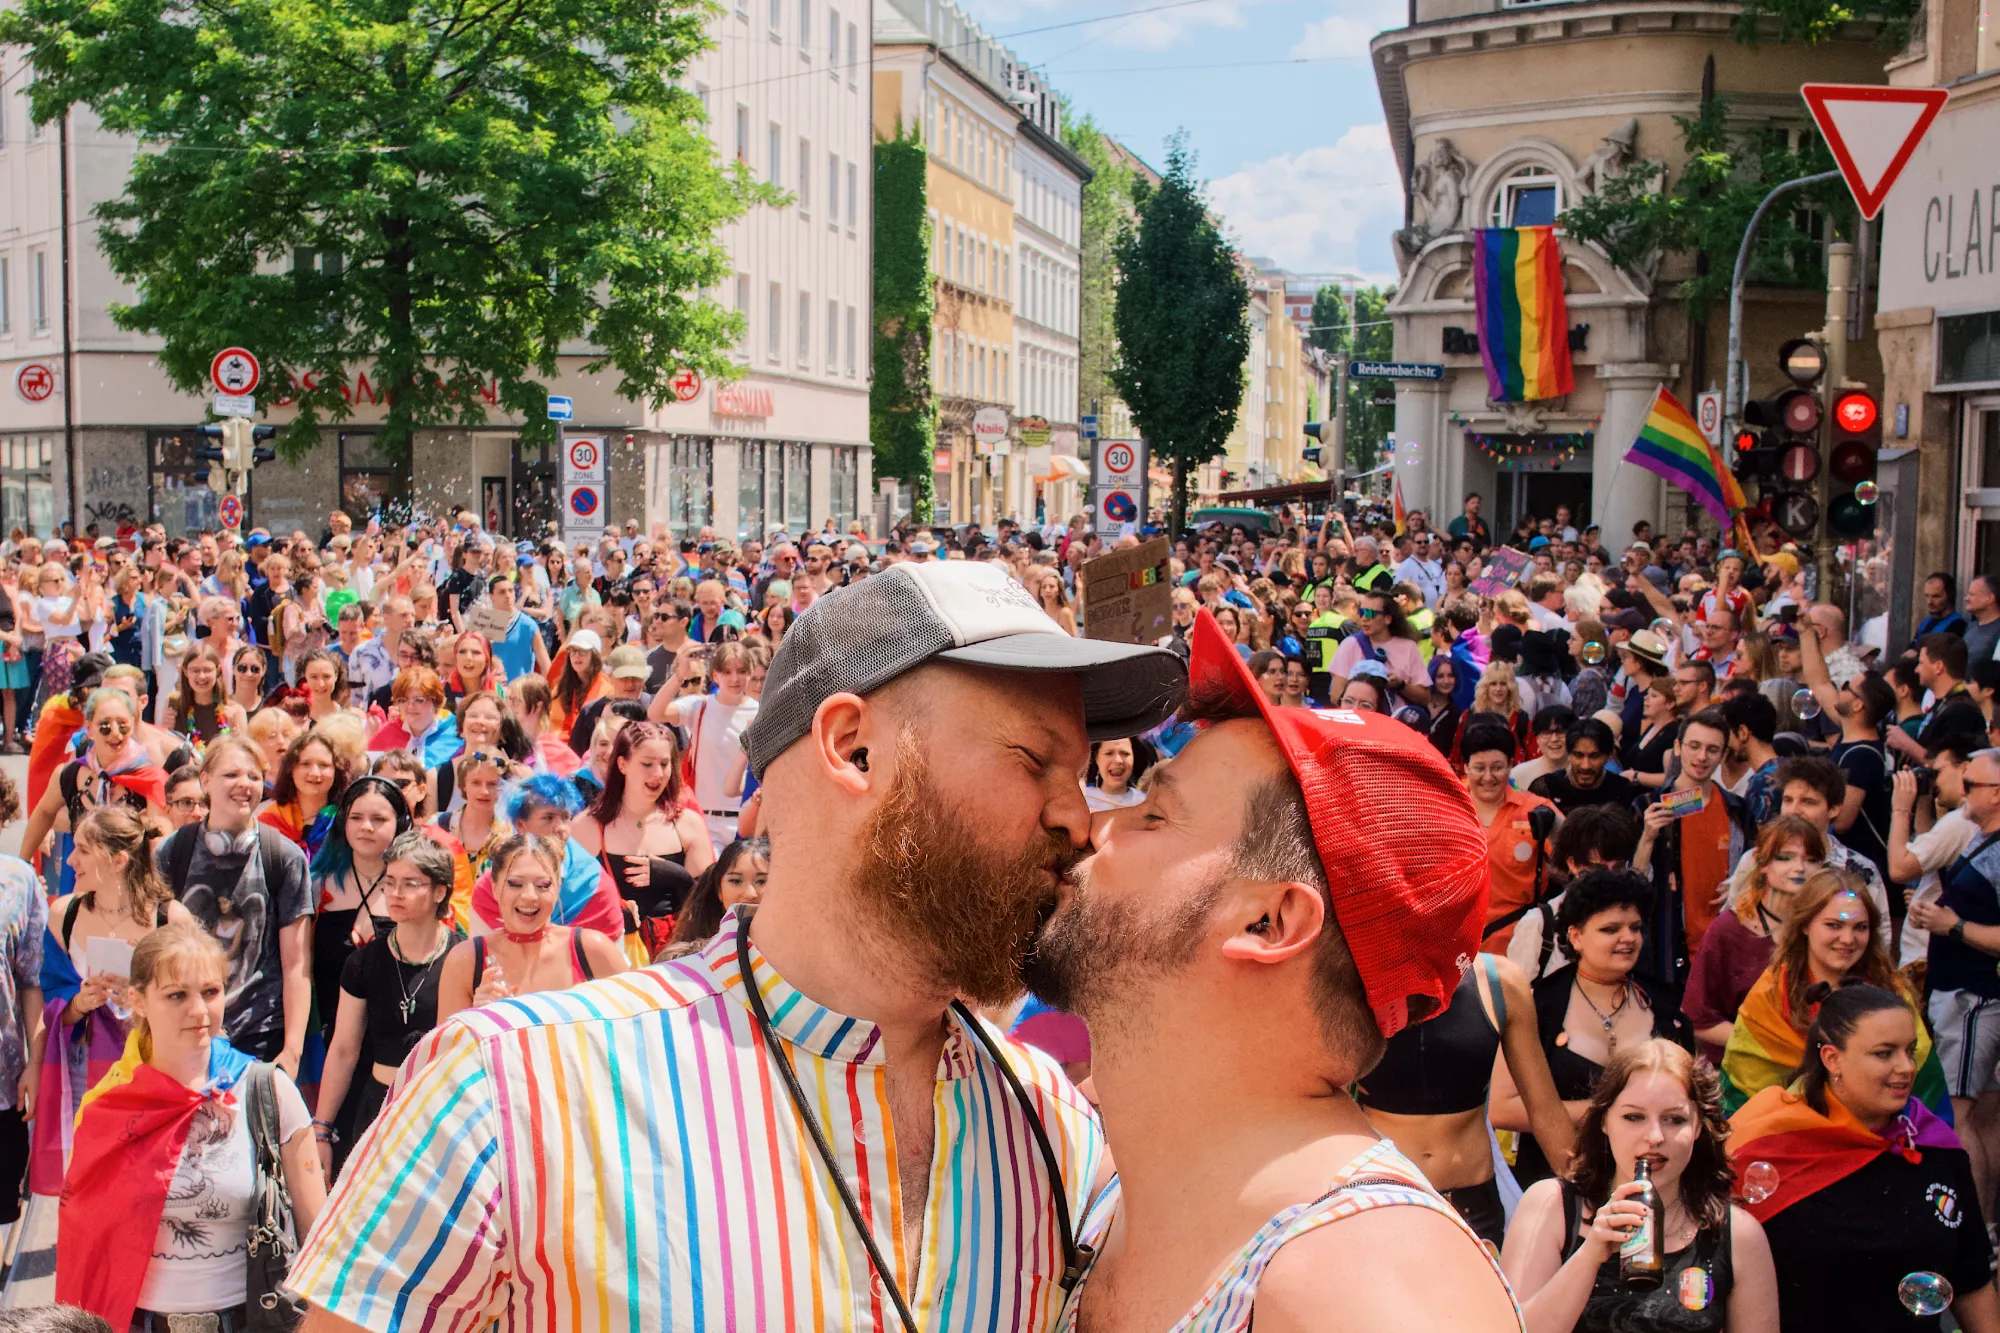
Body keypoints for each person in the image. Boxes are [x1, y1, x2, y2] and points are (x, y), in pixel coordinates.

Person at [293, 558, 1184, 1333]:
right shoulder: (509, 1090)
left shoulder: (1054, 1131)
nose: (1078, 817)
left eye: (1081, 772)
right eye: (1035, 759)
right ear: (855, 748)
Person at [1024, 607, 1519, 1330]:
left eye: (1155, 816)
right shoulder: (1106, 1183)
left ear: (1269, 923)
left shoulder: (1370, 1288)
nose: (1098, 824)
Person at [55, 923, 326, 1333]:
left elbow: (319, 1238)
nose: (199, 1011)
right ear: (138, 1001)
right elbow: (85, 1246)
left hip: (253, 1322)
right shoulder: (106, 1108)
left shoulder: (269, 1091)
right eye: (177, 995)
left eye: (211, 992)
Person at [1728, 983, 2000, 1333]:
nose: (1906, 1067)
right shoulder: (1767, 1144)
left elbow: (1971, 1280)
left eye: (1910, 1050)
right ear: (1831, 1058)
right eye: (1884, 1053)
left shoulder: (1936, 1147)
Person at [1502, 1039, 1778, 1333]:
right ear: (1604, 1120)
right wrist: (1589, 1255)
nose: (1655, 1136)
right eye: (1634, 1117)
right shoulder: (1552, 1206)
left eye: (1674, 1119)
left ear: (1698, 1126)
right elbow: (1511, 1328)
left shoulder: (1737, 1235)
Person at [1358, 947, 1578, 1249]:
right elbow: (1319, 1099)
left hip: (1473, 1202)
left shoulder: (1500, 982)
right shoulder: (1351, 978)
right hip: (1380, 1198)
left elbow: (1544, 1109)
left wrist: (1583, 1203)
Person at [1495, 869, 1695, 1187]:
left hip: (1650, 1179)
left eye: (1635, 928)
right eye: (1610, 929)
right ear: (1576, 936)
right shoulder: (1539, 1004)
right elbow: (1501, 1108)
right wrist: (1606, 1110)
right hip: (1557, 1177)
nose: (1627, 938)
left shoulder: (1664, 1008)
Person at [1720, 868, 1947, 1117]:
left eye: (1860, 927)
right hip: (1791, 1139)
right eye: (1834, 925)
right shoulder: (1770, 995)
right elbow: (1743, 1096)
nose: (1848, 939)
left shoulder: (1890, 991)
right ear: (1805, 925)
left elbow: (1925, 1083)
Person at [154, 739, 314, 1070]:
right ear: (205, 781)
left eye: (254, 777)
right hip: (185, 1029)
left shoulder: (283, 857)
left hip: (259, 1036)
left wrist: (293, 1050)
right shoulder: (171, 853)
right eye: (231, 775)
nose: (244, 785)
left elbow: (296, 964)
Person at [314, 831, 462, 1180]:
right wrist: (321, 1128)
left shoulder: (464, 955)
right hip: (378, 1106)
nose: (395, 893)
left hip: (439, 1111)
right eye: (390, 881)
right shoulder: (364, 962)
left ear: (439, 891)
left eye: (410, 884)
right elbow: (344, 1049)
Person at [434, 832, 630, 1018]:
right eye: (515, 884)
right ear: (493, 888)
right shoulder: (465, 961)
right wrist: (474, 1020)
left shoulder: (593, 950)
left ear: (558, 888)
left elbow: (635, 1031)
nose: (530, 896)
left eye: (543, 885)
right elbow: (445, 1050)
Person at [1631, 706, 1752, 994]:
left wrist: (1742, 881)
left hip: (1723, 948)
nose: (1701, 757)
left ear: (1723, 756)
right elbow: (1632, 880)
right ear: (1677, 747)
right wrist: (1648, 836)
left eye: (1712, 749)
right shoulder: (1647, 805)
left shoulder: (1737, 809)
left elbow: (1757, 867)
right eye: (1694, 746)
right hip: (1667, 951)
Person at [1685, 816, 1825, 1059]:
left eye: (1811, 860)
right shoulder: (1729, 929)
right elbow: (1698, 1018)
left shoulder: (1827, 927)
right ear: (1762, 864)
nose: (1800, 868)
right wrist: (1774, 1046)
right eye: (1785, 857)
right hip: (1743, 1072)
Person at [570, 721, 709, 948]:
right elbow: (570, 904)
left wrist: (677, 876)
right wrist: (612, 910)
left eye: (664, 764)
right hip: (612, 955)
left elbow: (709, 904)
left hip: (675, 956)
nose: (658, 773)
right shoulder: (586, 826)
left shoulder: (688, 824)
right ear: (623, 764)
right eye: (647, 764)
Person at [307, 775, 413, 1056]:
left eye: (378, 819)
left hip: (398, 1046)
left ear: (400, 825)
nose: (366, 827)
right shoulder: (316, 886)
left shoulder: (417, 889)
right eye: (356, 817)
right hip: (329, 1046)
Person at [649, 639, 760, 851]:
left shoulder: (760, 712)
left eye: (741, 670)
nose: (735, 678)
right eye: (727, 672)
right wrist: (679, 675)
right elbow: (655, 713)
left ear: (750, 672)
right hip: (706, 820)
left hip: (748, 816)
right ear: (715, 675)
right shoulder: (699, 706)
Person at [1464, 720, 1560, 954]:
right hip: (1455, 943)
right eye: (1479, 768)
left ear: (1511, 764)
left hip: (1518, 943)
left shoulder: (1538, 811)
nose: (1488, 777)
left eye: (1497, 767)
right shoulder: (1444, 807)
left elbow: (1576, 860)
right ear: (1465, 767)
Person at [660, 836, 768, 955]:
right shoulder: (687, 958)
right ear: (719, 891)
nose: (750, 894)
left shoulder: (790, 955)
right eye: (736, 881)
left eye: (762, 881)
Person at [258, 727, 347, 856]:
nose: (315, 773)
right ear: (291, 769)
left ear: (336, 771)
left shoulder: (346, 822)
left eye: (324, 765)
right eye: (305, 764)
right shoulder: (268, 824)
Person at [1529, 718, 1636, 814]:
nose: (1585, 766)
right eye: (1578, 755)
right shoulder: (1546, 787)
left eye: (1594, 756)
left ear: (1609, 756)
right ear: (1569, 754)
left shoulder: (1623, 790)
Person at [161, 642, 243, 744]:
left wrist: (234, 732)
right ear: (185, 671)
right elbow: (165, 750)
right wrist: (166, 729)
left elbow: (243, 754)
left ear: (218, 671)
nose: (201, 676)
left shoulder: (234, 710)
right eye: (195, 670)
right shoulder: (174, 704)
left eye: (207, 670)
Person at [1083, 735, 1152, 811]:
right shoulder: (1083, 798)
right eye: (1109, 753)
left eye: (1125, 753)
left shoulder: (1144, 803)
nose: (1118, 760)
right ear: (1097, 758)